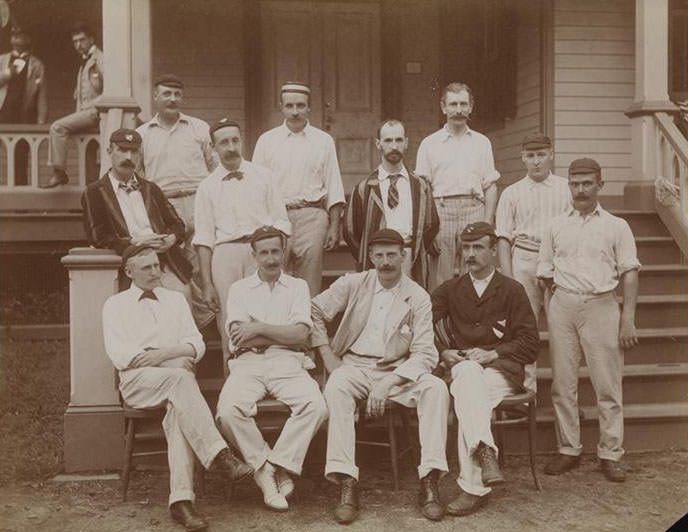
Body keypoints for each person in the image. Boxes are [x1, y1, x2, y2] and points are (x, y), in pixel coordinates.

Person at [102, 244, 252, 532]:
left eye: (157, 265)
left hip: (176, 385)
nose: (155, 271)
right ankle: (221, 456)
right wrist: (170, 357)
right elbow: (121, 354)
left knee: (178, 413)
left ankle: (182, 502)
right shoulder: (115, 305)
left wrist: (161, 354)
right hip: (138, 384)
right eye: (146, 267)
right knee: (181, 379)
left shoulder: (175, 300)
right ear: (128, 272)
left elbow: (196, 345)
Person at [312, 228, 450, 524]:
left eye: (391, 255)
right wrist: (328, 356)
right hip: (355, 367)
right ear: (370, 257)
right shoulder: (353, 283)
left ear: (404, 256)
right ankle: (347, 480)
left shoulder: (417, 297)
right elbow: (313, 310)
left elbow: (426, 353)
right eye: (379, 255)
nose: (385, 262)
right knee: (336, 386)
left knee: (436, 388)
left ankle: (429, 480)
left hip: (398, 371)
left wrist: (390, 382)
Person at [537, 157, 640, 483]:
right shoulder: (555, 225)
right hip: (563, 305)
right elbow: (544, 272)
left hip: (602, 306)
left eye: (586, 183)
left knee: (607, 385)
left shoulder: (617, 226)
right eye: (574, 183)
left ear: (600, 185)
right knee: (562, 384)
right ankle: (568, 448)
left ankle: (611, 453)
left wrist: (628, 319)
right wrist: (553, 305)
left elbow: (630, 273)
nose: (580, 189)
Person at [215, 226, 328, 512]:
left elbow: (302, 335)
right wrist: (279, 331)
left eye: (275, 251)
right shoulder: (239, 289)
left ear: (284, 252)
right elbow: (239, 336)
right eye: (263, 252)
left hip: (287, 361)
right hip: (247, 363)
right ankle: (265, 469)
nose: (270, 258)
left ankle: (279, 465)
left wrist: (260, 328)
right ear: (254, 256)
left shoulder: (298, 286)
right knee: (228, 412)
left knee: (316, 407)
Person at [431, 221, 539, 516]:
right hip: (466, 374)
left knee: (468, 389)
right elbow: (421, 324)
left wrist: (492, 353)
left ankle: (475, 479)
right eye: (466, 247)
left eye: (478, 247)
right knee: (467, 377)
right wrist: (444, 352)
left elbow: (531, 344)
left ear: (493, 251)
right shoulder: (451, 289)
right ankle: (482, 460)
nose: (470, 254)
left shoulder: (512, 290)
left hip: (502, 374)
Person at [193, 118, 291, 369]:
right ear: (213, 148)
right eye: (224, 142)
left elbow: (281, 221)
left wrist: (280, 260)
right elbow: (203, 238)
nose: (231, 147)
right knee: (230, 316)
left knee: (268, 309)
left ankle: (272, 370)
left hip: (261, 250)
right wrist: (207, 284)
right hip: (225, 254)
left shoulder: (264, 176)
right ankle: (234, 375)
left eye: (235, 140)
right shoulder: (207, 186)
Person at [137, 74, 218, 328]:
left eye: (177, 94)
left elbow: (215, 167)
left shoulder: (199, 128)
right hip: (164, 207)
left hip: (198, 200)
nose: (172, 99)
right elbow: (138, 177)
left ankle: (203, 321)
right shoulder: (143, 134)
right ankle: (195, 323)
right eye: (166, 94)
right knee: (176, 267)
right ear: (155, 97)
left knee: (200, 262)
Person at [252, 81, 346, 296]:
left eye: (300, 106)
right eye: (290, 106)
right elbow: (256, 186)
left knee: (309, 282)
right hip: (276, 216)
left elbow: (333, 184)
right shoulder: (267, 140)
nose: (295, 112)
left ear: (309, 107)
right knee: (273, 277)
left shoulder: (323, 141)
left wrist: (334, 226)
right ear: (281, 106)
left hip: (312, 216)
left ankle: (307, 326)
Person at [495, 132, 571, 392]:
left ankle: (565, 394)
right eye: (531, 156)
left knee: (561, 331)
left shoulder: (565, 188)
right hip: (524, 260)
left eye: (541, 155)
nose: (536, 161)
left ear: (551, 154)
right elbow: (503, 237)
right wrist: (508, 278)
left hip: (558, 261)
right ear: (523, 158)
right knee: (524, 330)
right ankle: (528, 393)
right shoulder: (512, 193)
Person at [81, 128, 193, 302]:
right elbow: (97, 237)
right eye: (122, 150)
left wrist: (172, 239)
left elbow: (177, 224)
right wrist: (134, 242)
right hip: (128, 262)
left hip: (163, 260)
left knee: (181, 297)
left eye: (134, 152)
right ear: (110, 151)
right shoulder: (94, 192)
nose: (128, 157)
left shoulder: (151, 189)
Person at [415, 82, 500, 291]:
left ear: (471, 107)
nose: (459, 110)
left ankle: (471, 320)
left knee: (475, 273)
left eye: (463, 104)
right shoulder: (430, 143)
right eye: (453, 104)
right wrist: (429, 227)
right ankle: (441, 322)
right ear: (443, 107)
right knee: (440, 277)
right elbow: (423, 189)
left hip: (474, 209)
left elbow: (490, 186)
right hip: (441, 211)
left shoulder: (482, 142)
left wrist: (487, 224)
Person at [344, 119, 439, 289]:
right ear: (378, 144)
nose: (394, 146)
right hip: (379, 259)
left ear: (406, 143)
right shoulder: (364, 188)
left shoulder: (420, 186)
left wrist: (411, 247)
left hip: (410, 256)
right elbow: (351, 231)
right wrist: (371, 254)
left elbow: (431, 225)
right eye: (388, 140)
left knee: (411, 306)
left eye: (399, 140)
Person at [43, 23, 103, 188]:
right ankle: (92, 196)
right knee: (89, 155)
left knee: (57, 127)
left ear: (91, 39)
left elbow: (112, 89)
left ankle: (59, 172)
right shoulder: (85, 62)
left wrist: (96, 107)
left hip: (96, 113)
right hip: (86, 113)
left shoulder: (101, 59)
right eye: (75, 41)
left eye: (82, 40)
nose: (78, 44)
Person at [0, 26, 48, 185]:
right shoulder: (2, 60)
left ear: (29, 40)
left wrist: (41, 120)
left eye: (21, 35)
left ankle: (20, 205)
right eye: (14, 35)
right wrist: (9, 73)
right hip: (3, 113)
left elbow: (41, 95)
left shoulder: (37, 64)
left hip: (24, 116)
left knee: (20, 158)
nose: (16, 38)